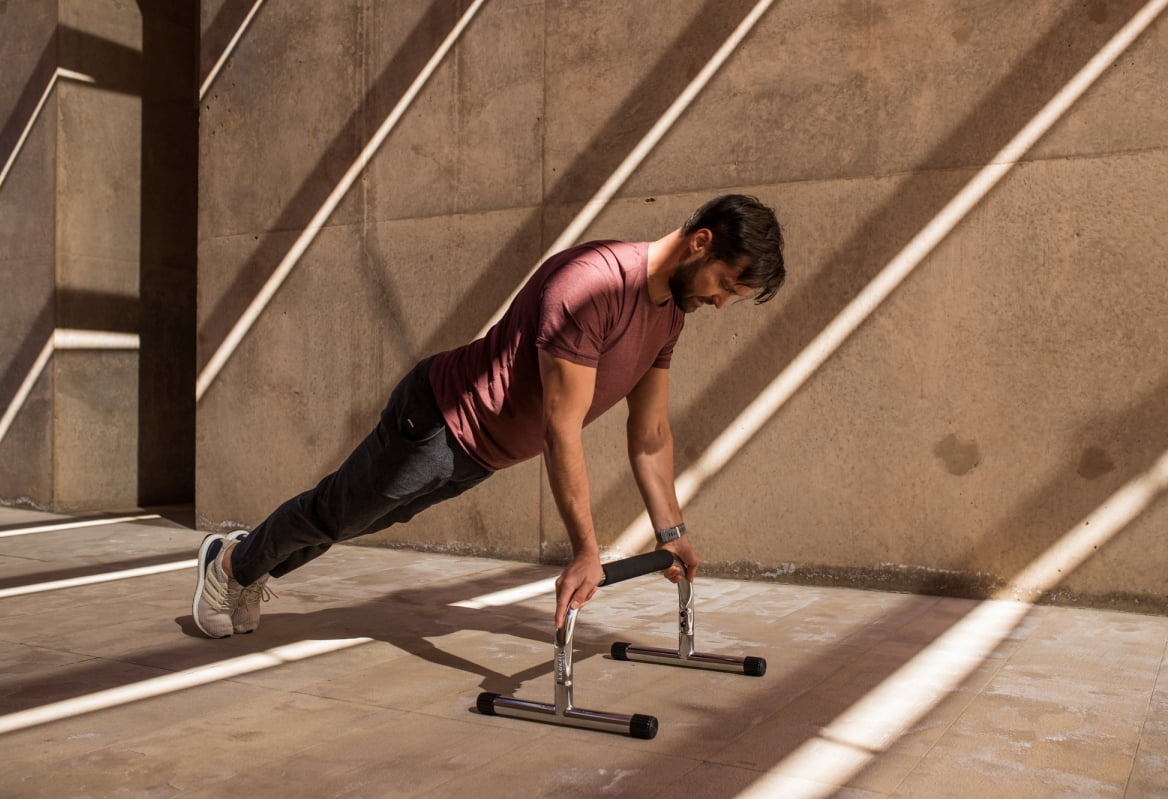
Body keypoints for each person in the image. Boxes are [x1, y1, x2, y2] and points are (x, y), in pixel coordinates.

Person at [192, 194, 785, 638]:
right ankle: (232, 563)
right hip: (439, 421)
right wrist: (585, 550)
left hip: (482, 452)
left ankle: (247, 561)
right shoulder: (593, 286)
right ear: (701, 243)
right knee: (338, 515)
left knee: (356, 520)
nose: (722, 304)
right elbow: (561, 426)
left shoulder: (669, 316)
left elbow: (651, 434)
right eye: (726, 286)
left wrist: (672, 535)